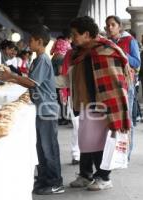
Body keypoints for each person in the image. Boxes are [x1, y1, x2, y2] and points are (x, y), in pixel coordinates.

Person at [0, 25, 64, 195]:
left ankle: (55, 182)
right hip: (41, 108)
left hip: (47, 108)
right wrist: (13, 76)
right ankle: (43, 179)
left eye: (31, 40)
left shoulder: (43, 60)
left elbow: (32, 83)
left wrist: (11, 76)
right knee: (40, 146)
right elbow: (30, 80)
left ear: (40, 42)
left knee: (49, 147)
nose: (28, 43)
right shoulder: (36, 59)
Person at [67, 16, 131, 191]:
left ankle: (104, 177)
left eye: (74, 34)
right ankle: (86, 174)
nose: (72, 38)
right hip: (88, 102)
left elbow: (116, 83)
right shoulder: (82, 52)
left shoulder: (106, 50)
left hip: (105, 103)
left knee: (98, 143)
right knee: (86, 140)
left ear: (86, 34)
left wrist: (113, 107)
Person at [105, 15, 141, 160]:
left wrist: (121, 53)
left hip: (127, 85)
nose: (110, 27)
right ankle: (114, 152)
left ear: (120, 26)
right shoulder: (106, 43)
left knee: (127, 120)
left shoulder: (129, 41)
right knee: (113, 120)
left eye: (113, 24)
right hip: (111, 85)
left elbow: (137, 63)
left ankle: (126, 154)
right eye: (107, 25)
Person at [51, 29, 72, 125]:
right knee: (62, 99)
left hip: (54, 78)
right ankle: (63, 118)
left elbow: (51, 52)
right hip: (60, 80)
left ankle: (61, 117)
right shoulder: (67, 44)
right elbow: (60, 71)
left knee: (58, 100)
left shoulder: (57, 42)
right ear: (69, 38)